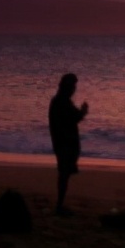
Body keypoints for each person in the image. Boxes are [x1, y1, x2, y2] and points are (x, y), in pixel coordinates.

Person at [48, 72, 88, 216]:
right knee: (64, 174)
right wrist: (83, 111)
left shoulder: (59, 101)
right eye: (72, 86)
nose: (74, 89)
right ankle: (59, 205)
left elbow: (71, 118)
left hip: (62, 143)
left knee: (64, 174)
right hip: (64, 144)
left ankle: (60, 204)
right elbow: (74, 117)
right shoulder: (61, 102)